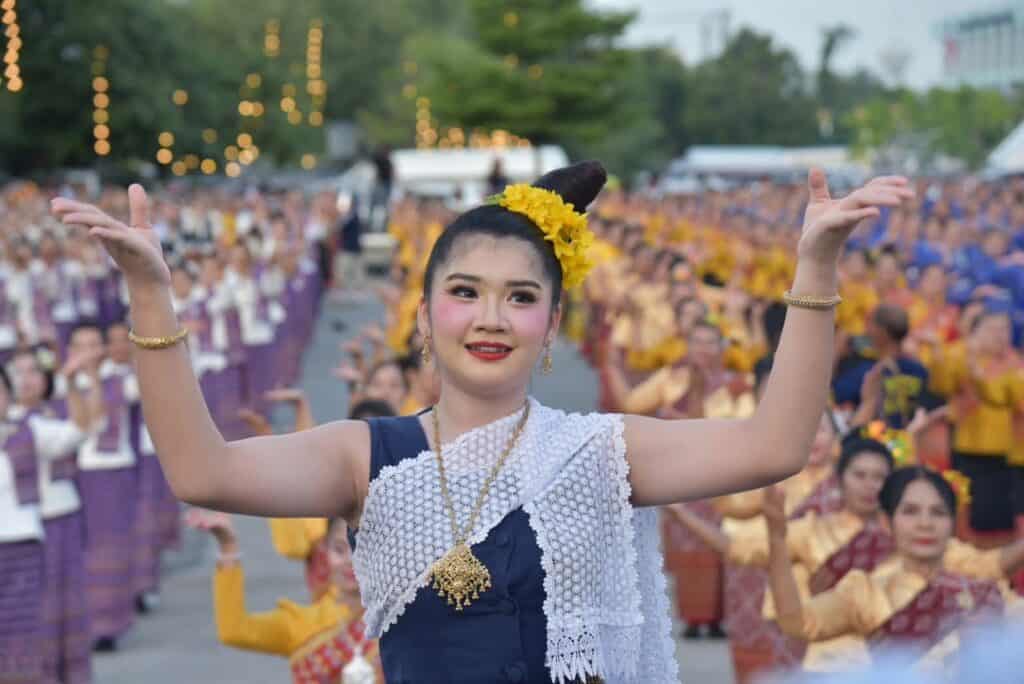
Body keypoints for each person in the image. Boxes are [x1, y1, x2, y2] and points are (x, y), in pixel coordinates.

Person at [51, 162, 914, 682]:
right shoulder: (367, 455)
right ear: (423, 317)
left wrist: (815, 267)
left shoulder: (596, 450)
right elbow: (204, 473)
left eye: (521, 298)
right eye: (465, 293)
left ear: (553, 325)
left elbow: (775, 444)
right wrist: (151, 296)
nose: (491, 318)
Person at [766, 468, 1009, 670]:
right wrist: (777, 540)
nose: (925, 524)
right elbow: (795, 623)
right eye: (910, 511)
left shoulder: (980, 591)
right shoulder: (865, 590)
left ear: (953, 523)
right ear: (886, 522)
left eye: (938, 513)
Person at [188, 510, 381, 684]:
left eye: (360, 550)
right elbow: (234, 630)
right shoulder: (300, 623)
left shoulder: (395, 621)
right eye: (339, 550)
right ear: (325, 553)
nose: (349, 561)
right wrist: (228, 547)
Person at [5, 346, 101, 683]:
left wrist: (75, 383)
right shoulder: (17, 426)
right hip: (20, 534)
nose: (26, 380)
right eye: (18, 373)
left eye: (33, 371)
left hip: (53, 519)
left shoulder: (40, 423)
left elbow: (83, 429)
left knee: (60, 606)